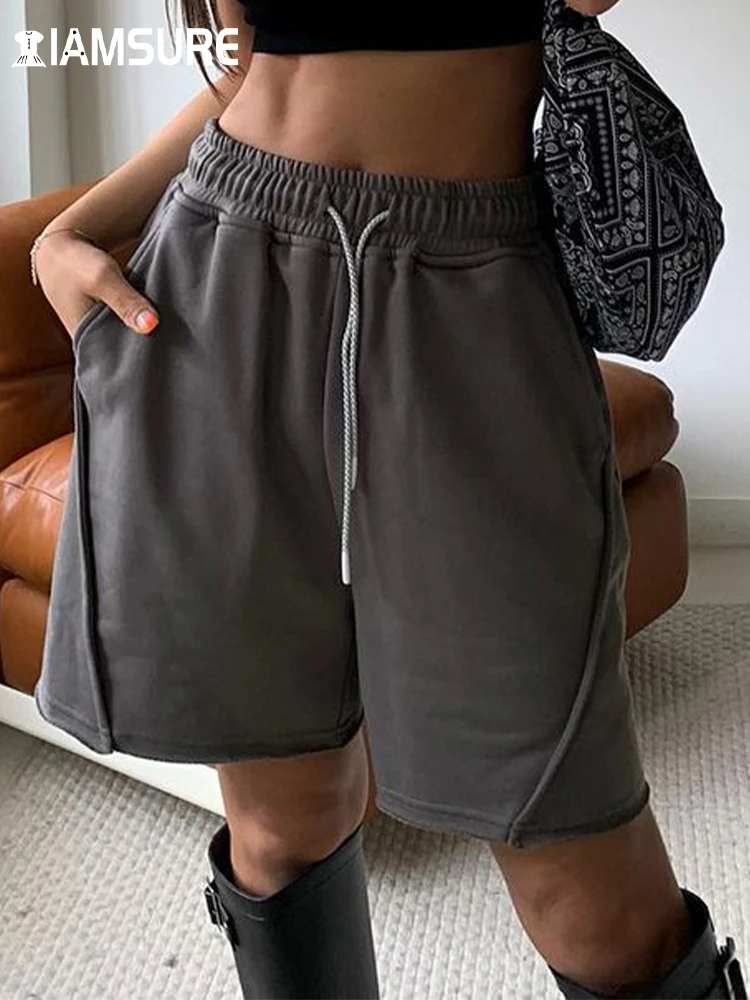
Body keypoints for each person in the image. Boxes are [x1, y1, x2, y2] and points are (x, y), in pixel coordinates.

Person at [32, 2, 746, 998]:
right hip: (221, 288)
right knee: (282, 829)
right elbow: (247, 77)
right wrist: (71, 232)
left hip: (471, 304)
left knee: (587, 884)